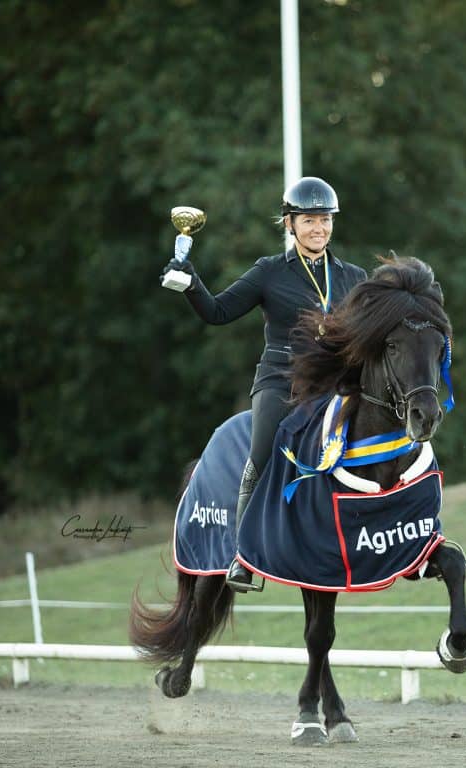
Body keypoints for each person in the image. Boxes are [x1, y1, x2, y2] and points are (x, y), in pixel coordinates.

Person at [161, 177, 367, 592]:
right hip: (281, 384)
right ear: (290, 224)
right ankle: (245, 554)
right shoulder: (269, 272)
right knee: (262, 452)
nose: (319, 229)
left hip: (333, 388)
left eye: (325, 220)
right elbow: (217, 312)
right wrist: (189, 280)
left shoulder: (353, 277)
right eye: (308, 221)